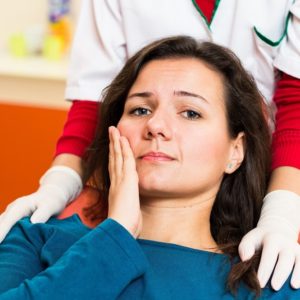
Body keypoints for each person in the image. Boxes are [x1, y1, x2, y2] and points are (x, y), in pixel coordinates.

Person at [1, 0, 300, 291]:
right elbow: (92, 97)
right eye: (139, 110)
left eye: (191, 113)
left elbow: (295, 100)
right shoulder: (36, 240)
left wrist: (281, 213)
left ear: (236, 150)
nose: (156, 125)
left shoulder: (270, 281)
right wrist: (61, 182)